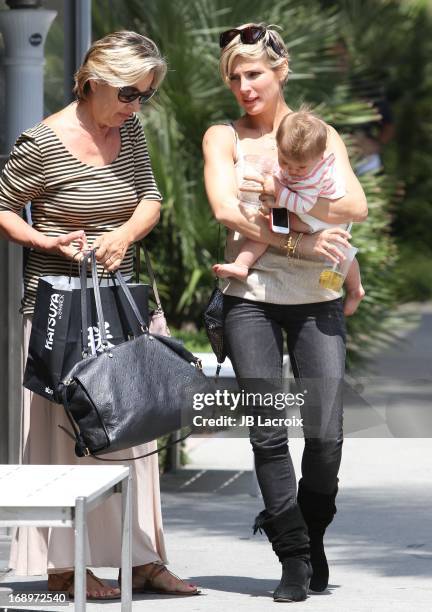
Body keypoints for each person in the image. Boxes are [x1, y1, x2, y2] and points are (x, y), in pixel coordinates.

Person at [0, 31, 198, 600]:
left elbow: (150, 199)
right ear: (92, 82)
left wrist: (125, 232)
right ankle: (65, 566)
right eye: (130, 93)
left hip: (122, 302)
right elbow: (5, 208)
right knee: (65, 437)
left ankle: (142, 559)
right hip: (60, 308)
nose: (136, 106)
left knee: (133, 430)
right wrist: (48, 240)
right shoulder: (40, 142)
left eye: (146, 95)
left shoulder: (128, 130)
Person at [203, 24, 367, 602]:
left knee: (324, 436)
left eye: (254, 74)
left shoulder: (320, 136)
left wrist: (286, 205)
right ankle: (293, 557)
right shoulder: (224, 138)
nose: (243, 86)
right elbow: (227, 211)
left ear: (280, 72)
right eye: (234, 77)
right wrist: (299, 236)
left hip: (318, 298)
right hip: (250, 302)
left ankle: (312, 532)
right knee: (269, 433)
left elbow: (355, 206)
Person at [212, 108, 365, 316]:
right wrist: (273, 173)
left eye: (299, 168)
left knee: (342, 254)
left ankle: (355, 289)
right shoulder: (296, 159)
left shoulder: (315, 177)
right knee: (274, 224)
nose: (291, 170)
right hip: (303, 211)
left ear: (319, 159)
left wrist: (277, 192)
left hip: (318, 219)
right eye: (285, 162)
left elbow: (303, 204)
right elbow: (282, 173)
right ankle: (241, 265)